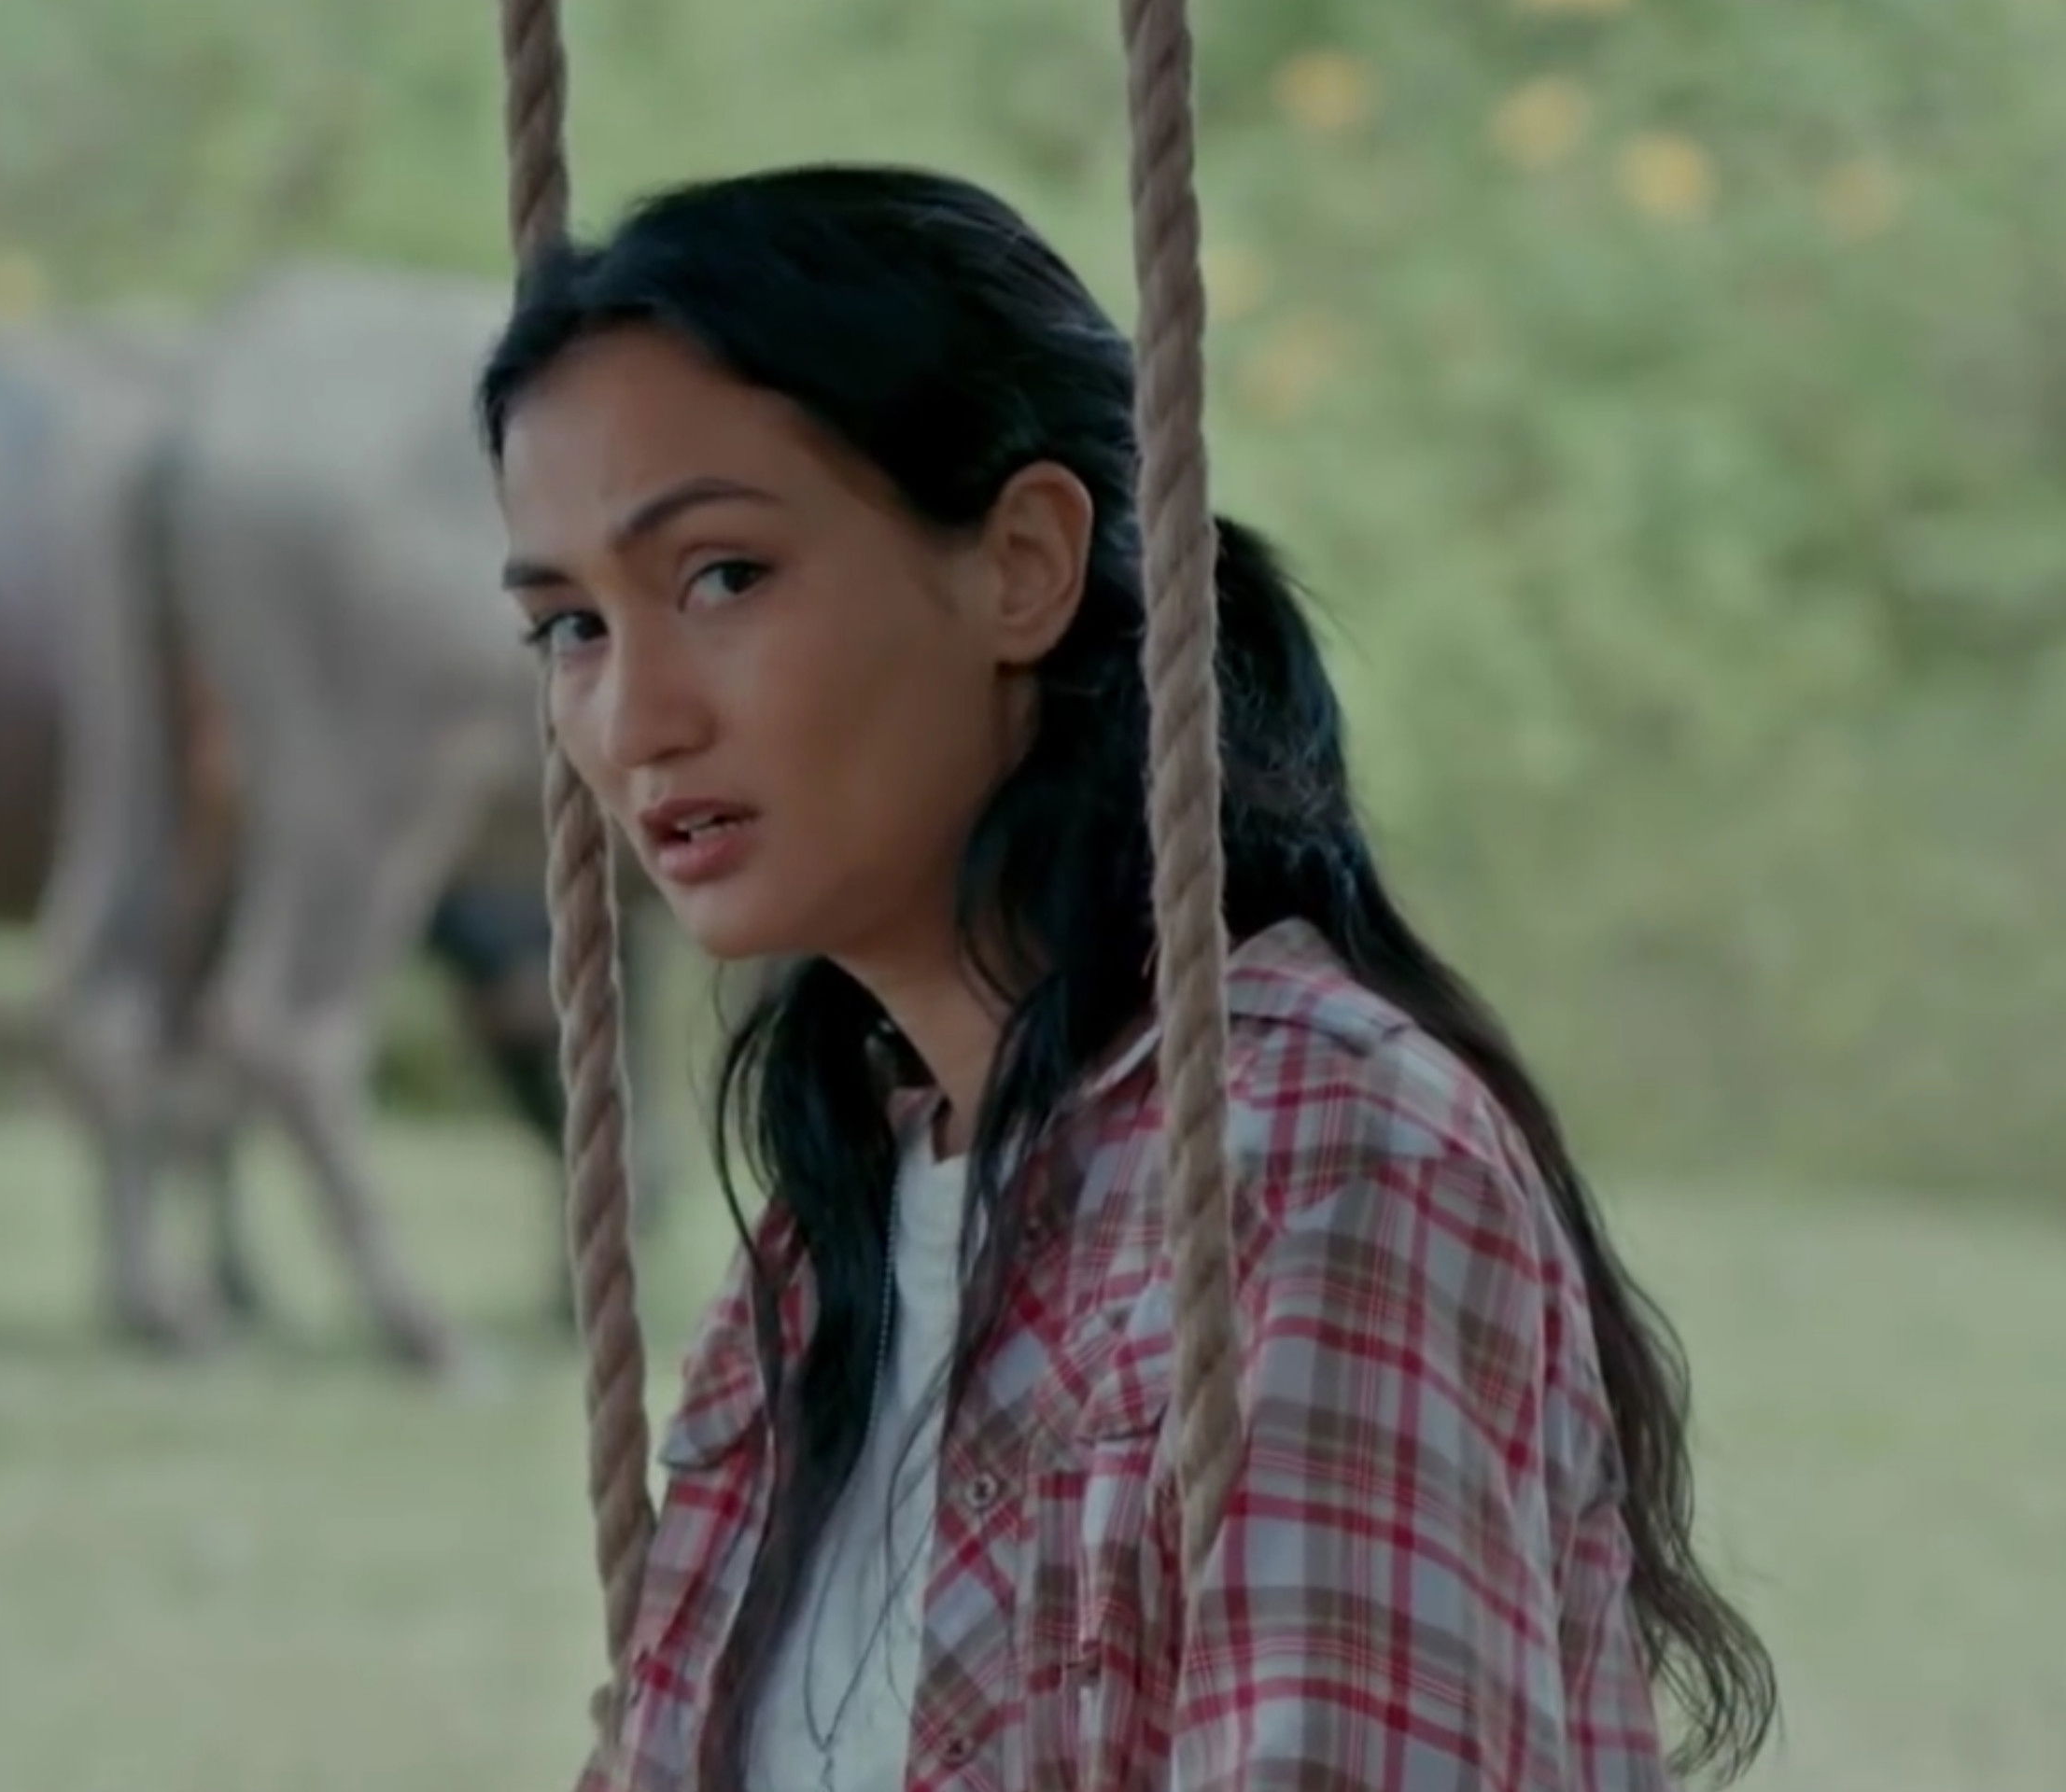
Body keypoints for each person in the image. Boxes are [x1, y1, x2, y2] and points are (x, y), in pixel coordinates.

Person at [479, 165, 1776, 1792]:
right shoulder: (824, 1256)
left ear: (1023, 561)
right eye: (570, 628)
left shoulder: (1309, 1153)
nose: (631, 719)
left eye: (723, 576)